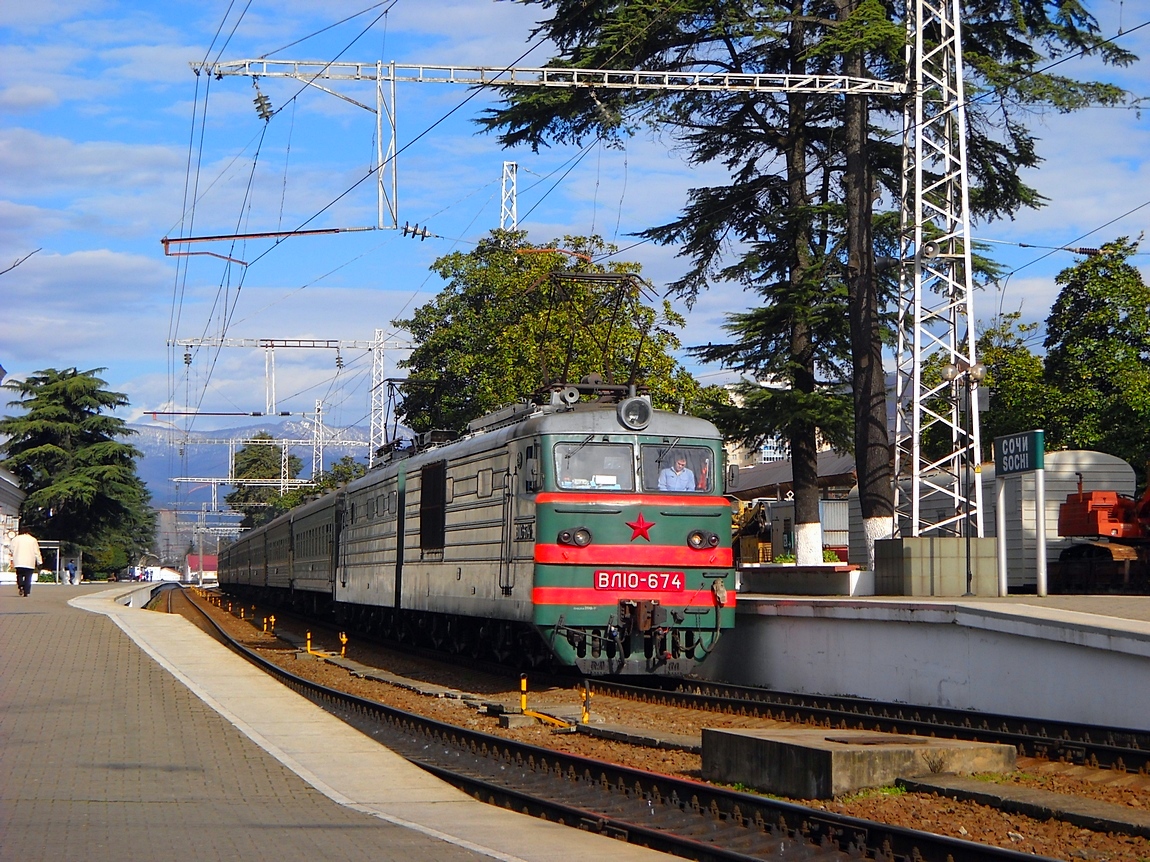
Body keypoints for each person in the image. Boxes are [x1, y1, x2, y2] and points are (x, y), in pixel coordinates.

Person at [12, 527, 42, 598]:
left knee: (19, 575)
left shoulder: (16, 539)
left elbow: (11, 549)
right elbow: (36, 552)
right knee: (28, 577)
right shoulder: (33, 540)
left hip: (18, 561)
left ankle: (21, 586)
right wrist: (39, 562)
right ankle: (26, 591)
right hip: (29, 562)